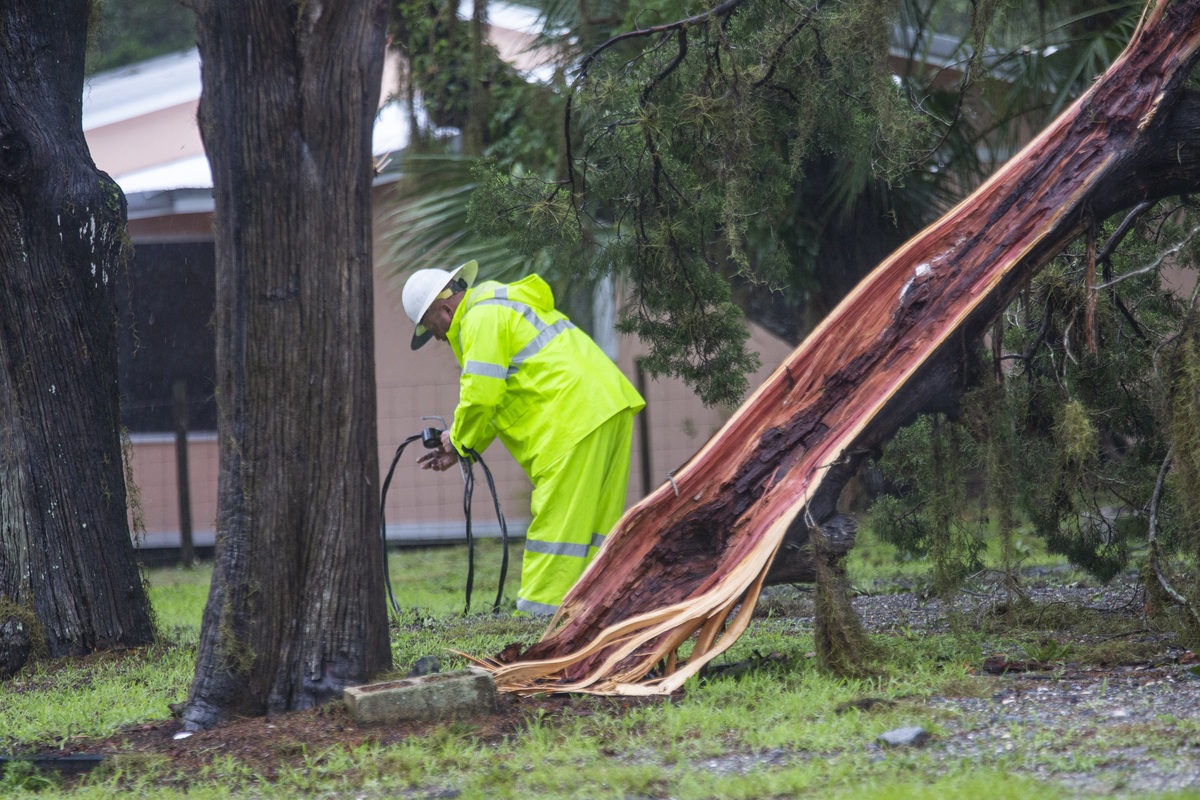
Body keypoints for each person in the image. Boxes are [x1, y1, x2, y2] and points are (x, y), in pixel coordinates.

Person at [402, 261, 645, 616]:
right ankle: (597, 608)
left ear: (444, 310)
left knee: (558, 526)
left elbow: (480, 397)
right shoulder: (501, 302)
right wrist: (460, 447)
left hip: (570, 419)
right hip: (607, 406)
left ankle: (536, 618)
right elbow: (494, 401)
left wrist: (459, 441)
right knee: (595, 526)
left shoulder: (479, 319)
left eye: (430, 327)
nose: (436, 338)